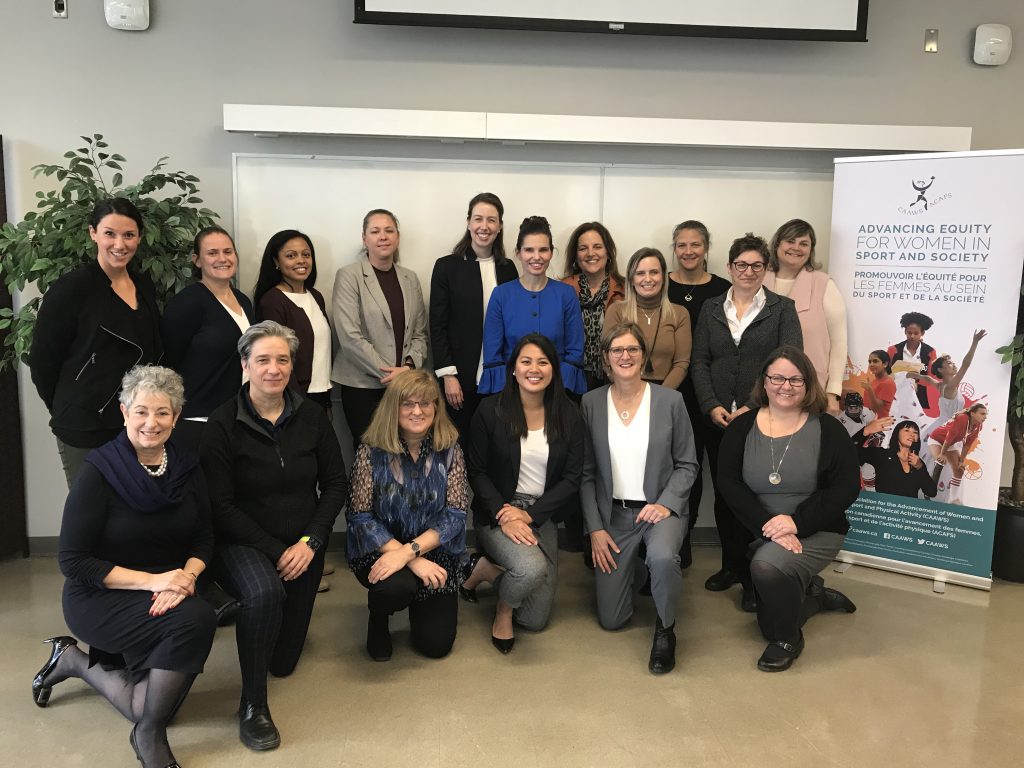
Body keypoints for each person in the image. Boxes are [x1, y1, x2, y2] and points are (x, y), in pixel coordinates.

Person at [33, 365, 217, 768]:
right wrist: (154, 581)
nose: (152, 423)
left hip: (168, 589)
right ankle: (149, 735)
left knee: (143, 703)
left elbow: (204, 536)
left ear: (176, 417)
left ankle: (72, 661)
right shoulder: (99, 472)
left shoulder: (186, 466)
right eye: (141, 412)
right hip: (100, 595)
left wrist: (185, 577)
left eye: (163, 413)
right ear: (124, 413)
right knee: (197, 619)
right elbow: (74, 561)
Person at [201, 321, 347, 751]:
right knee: (265, 595)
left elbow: (335, 483)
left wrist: (312, 541)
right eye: (263, 359)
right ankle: (252, 706)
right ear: (245, 365)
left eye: (282, 359)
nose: (274, 368)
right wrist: (276, 550)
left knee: (282, 663)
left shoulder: (311, 419)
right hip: (243, 541)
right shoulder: (222, 424)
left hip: (303, 544)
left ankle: (266, 630)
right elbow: (220, 505)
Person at [717, 346, 859, 672]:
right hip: (759, 529)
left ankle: (787, 639)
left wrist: (795, 523)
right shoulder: (742, 427)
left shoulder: (828, 428)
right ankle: (812, 595)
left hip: (816, 528)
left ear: (808, 384)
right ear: (764, 382)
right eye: (777, 377)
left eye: (796, 379)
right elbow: (729, 485)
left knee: (767, 571)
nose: (786, 386)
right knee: (765, 603)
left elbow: (845, 488)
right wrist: (770, 525)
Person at [690, 233, 802, 610]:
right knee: (725, 494)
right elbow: (700, 361)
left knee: (757, 495)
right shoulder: (710, 308)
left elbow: (788, 364)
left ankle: (758, 573)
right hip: (718, 418)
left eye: (757, 265)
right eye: (742, 265)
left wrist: (754, 405)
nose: (749, 272)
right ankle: (731, 566)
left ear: (766, 269)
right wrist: (709, 403)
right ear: (729, 268)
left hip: (763, 419)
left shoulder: (782, 309)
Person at [580, 322, 698, 674]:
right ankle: (636, 571)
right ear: (606, 359)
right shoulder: (590, 403)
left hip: (659, 510)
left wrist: (665, 503)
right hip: (614, 515)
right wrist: (595, 530)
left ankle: (666, 628)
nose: (625, 356)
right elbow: (586, 475)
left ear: (644, 356)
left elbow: (688, 464)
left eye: (633, 349)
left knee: (662, 557)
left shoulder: (670, 401)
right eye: (617, 350)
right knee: (612, 620)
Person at [30, 198, 162, 488]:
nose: (120, 244)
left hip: (135, 422)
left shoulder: (144, 285)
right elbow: (42, 360)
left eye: (129, 235)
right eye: (109, 233)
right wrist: (72, 404)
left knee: (132, 510)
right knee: (90, 513)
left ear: (139, 237)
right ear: (93, 233)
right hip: (85, 424)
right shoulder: (73, 288)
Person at [465, 334, 584, 653]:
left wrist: (531, 515)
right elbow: (476, 471)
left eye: (543, 362)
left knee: (534, 619)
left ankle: (485, 571)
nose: (535, 369)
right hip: (498, 511)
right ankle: (502, 610)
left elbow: (573, 479)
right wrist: (505, 513)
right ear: (514, 369)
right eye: (526, 361)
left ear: (554, 370)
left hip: (540, 513)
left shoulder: (569, 414)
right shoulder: (490, 410)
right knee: (530, 570)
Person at [345, 368, 468, 661]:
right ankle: (378, 618)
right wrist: (406, 557)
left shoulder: (449, 448)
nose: (417, 411)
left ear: (436, 408)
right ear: (393, 408)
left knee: (436, 646)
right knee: (395, 588)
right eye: (408, 404)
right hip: (380, 549)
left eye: (426, 403)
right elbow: (359, 516)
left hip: (433, 551)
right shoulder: (370, 450)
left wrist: (411, 553)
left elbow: (455, 514)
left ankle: (420, 604)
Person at [333, 209, 429, 450]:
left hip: (405, 386)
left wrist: (406, 369)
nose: (383, 236)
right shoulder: (349, 276)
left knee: (405, 452)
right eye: (375, 231)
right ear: (365, 239)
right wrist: (390, 374)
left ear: (397, 237)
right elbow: (350, 337)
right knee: (370, 454)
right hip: (362, 387)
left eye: (389, 230)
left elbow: (420, 334)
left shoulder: (410, 278)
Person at [666, 220, 731, 567]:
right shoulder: (661, 285)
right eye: (682, 245)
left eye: (695, 245)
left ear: (706, 248)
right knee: (681, 472)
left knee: (720, 472)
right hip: (671, 394)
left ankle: (727, 554)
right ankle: (680, 543)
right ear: (674, 248)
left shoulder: (724, 289)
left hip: (713, 397)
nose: (688, 252)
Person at [430, 192, 519, 437]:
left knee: (495, 447)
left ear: (500, 226)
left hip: (498, 379)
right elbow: (437, 326)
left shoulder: (508, 269)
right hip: (458, 380)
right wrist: (448, 375)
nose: (484, 226)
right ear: (469, 222)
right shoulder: (447, 267)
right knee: (459, 447)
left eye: (492, 220)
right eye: (478, 218)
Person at [161, 226, 254, 452]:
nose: (222, 258)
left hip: (239, 416)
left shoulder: (244, 301)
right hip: (199, 419)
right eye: (212, 253)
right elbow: (168, 362)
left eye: (228, 251)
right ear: (197, 260)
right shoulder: (187, 303)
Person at [478, 216, 587, 396]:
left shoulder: (566, 294)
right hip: (510, 394)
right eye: (529, 250)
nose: (536, 257)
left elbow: (575, 350)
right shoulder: (501, 295)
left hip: (559, 393)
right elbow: (493, 354)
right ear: (518, 253)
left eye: (543, 250)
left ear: (551, 252)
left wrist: (557, 389)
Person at [764, 219, 847, 413]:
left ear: (811, 249)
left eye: (804, 243)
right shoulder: (757, 280)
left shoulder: (824, 284)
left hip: (810, 390)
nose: (796, 248)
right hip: (762, 391)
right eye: (790, 241)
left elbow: (839, 344)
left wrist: (832, 393)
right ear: (777, 245)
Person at [253, 229, 333, 412]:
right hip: (293, 399)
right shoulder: (272, 301)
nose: (301, 261)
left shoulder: (315, 296)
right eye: (291, 255)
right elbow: (276, 358)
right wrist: (296, 402)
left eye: (306, 254)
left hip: (322, 392)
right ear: (276, 262)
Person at [604, 247, 691, 391]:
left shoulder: (679, 314)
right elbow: (606, 357)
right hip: (623, 390)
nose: (648, 279)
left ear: (663, 277)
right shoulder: (616, 311)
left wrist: (659, 397)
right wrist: (631, 393)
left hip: (665, 393)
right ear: (631, 279)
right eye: (640, 273)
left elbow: (681, 364)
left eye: (654, 272)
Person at [559, 221, 626, 391]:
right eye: (583, 248)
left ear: (608, 252)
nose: (590, 253)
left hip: (613, 377)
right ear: (575, 255)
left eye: (597, 247)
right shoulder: (561, 290)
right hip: (570, 378)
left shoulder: (626, 290)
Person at [909, 329, 987, 439]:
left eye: (953, 362)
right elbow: (965, 365)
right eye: (949, 363)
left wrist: (915, 375)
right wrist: (975, 342)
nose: (954, 365)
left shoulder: (940, 386)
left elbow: (927, 378)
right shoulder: (949, 387)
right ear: (941, 370)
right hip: (946, 429)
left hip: (943, 426)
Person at [851, 417, 937, 498]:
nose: (912, 434)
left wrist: (920, 467)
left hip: (908, 512)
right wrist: (866, 431)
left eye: (915, 432)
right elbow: (849, 452)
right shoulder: (882, 455)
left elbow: (931, 492)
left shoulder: (918, 463)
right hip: (883, 510)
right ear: (897, 433)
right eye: (907, 430)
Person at [926, 403, 988, 504]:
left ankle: (953, 499)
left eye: (986, 414)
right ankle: (929, 492)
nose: (985, 417)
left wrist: (961, 461)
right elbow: (949, 437)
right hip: (937, 439)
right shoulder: (963, 418)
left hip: (951, 443)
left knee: (960, 469)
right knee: (940, 461)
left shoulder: (978, 426)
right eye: (982, 414)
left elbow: (967, 444)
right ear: (972, 413)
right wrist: (942, 454)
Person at [888, 312, 937, 413]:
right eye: (909, 333)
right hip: (894, 397)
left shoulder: (930, 352)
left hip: (918, 398)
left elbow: (931, 378)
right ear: (905, 331)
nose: (912, 336)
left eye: (916, 333)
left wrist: (917, 380)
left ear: (922, 333)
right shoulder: (893, 350)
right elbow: (884, 373)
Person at [862, 349, 896, 420]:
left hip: (880, 426)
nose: (871, 364)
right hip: (868, 423)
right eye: (870, 362)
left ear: (885, 364)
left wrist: (869, 390)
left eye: (875, 361)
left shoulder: (888, 383)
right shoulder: (873, 382)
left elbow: (877, 409)